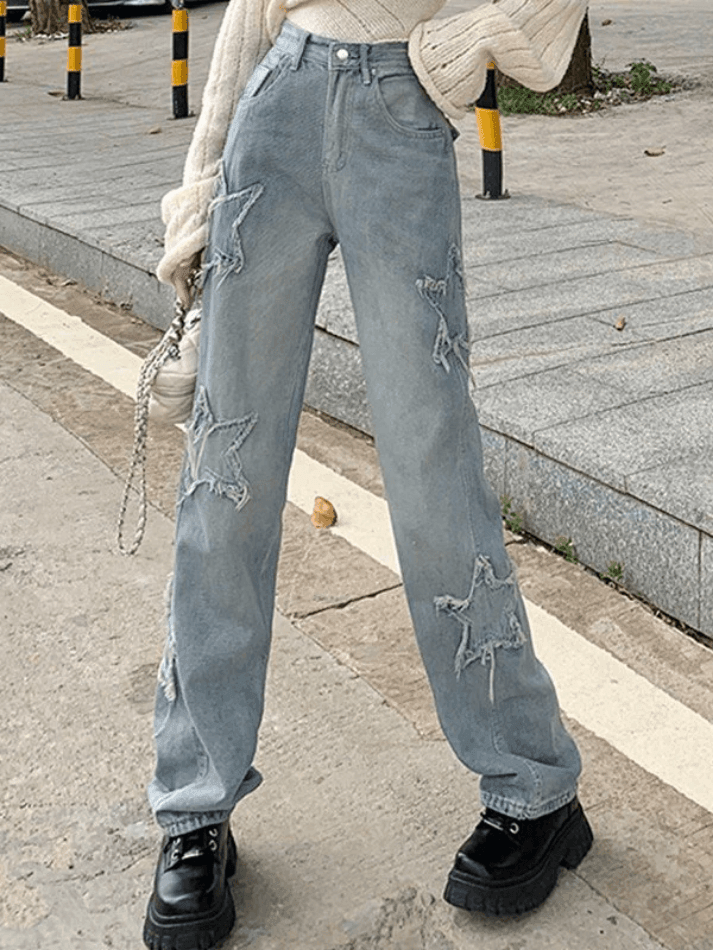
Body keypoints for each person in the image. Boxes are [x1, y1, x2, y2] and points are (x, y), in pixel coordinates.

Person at [143, 2, 593, 947]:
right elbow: (249, 20)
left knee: (433, 473)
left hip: (400, 113)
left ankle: (532, 780)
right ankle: (194, 807)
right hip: (275, 104)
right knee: (224, 478)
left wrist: (449, 52)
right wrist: (196, 197)